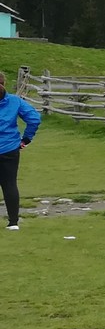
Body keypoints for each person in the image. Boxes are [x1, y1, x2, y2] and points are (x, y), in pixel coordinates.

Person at [0, 72, 41, 230]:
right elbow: (34, 118)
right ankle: (13, 222)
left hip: (7, 147)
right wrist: (26, 138)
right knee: (9, 184)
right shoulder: (14, 101)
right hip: (9, 148)